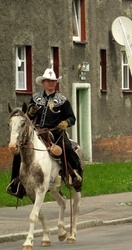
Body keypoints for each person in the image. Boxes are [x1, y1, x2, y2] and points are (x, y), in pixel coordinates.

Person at [7, 68, 83, 198]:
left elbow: (72, 118)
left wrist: (65, 123)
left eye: (52, 81)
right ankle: (16, 182)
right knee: (19, 151)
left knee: (67, 148)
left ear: (56, 83)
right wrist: (29, 113)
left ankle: (73, 173)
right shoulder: (35, 98)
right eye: (47, 81)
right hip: (36, 131)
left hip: (55, 132)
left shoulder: (62, 100)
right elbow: (27, 118)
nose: (50, 83)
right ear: (43, 83)